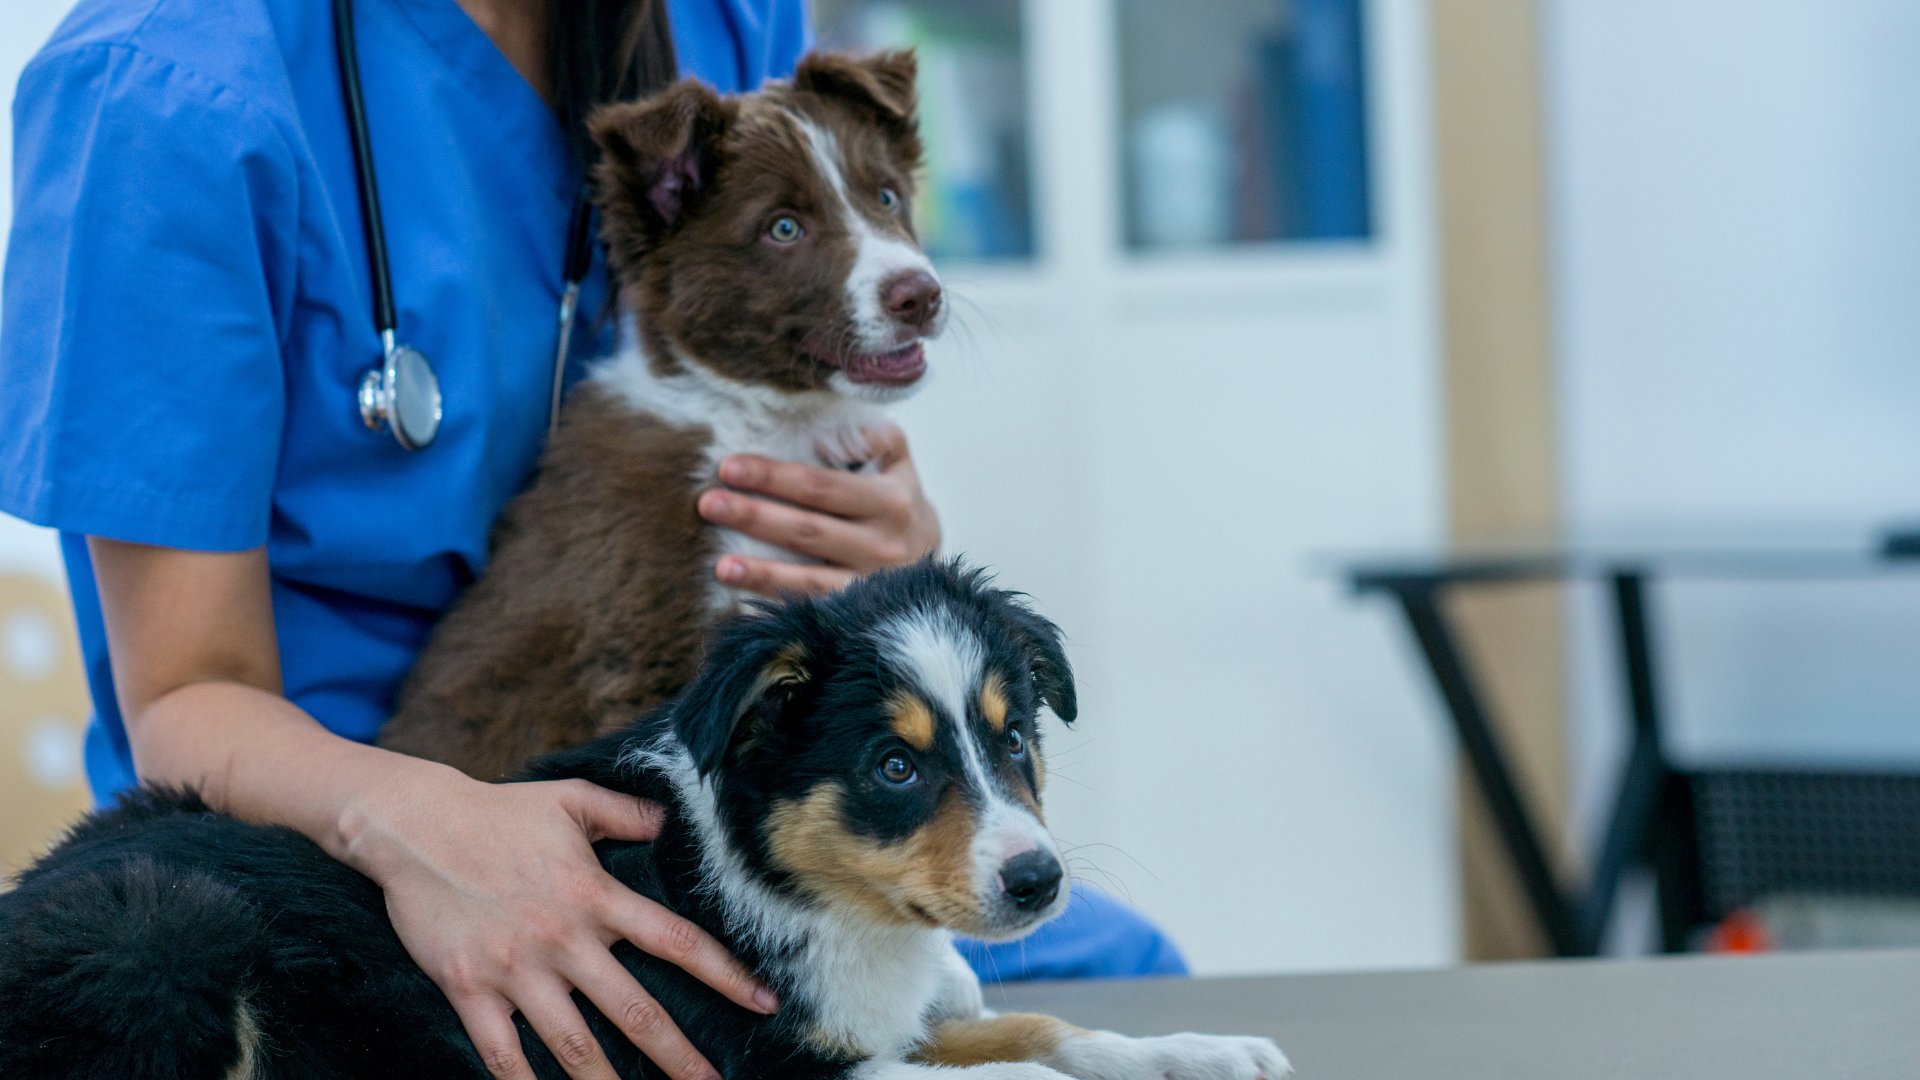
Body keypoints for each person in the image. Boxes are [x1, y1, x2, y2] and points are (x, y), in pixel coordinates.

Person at [0, 1, 1181, 1077]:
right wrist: (434, 831)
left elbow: (786, 338)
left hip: (703, 817)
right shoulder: (161, 91)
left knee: (1129, 972)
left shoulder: (718, 23)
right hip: (331, 858)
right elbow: (188, 698)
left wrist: (883, 548)